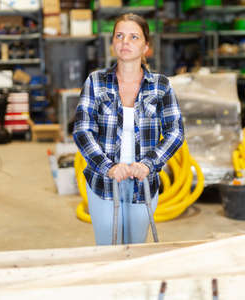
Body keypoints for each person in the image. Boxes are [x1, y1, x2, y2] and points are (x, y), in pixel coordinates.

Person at [73, 13, 184, 245]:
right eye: (120, 36)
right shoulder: (95, 81)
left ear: (146, 46)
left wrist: (149, 164)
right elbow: (82, 130)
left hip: (143, 181)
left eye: (134, 37)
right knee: (107, 247)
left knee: (136, 247)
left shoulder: (160, 85)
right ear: (113, 42)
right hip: (103, 181)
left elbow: (175, 131)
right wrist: (109, 167)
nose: (125, 42)